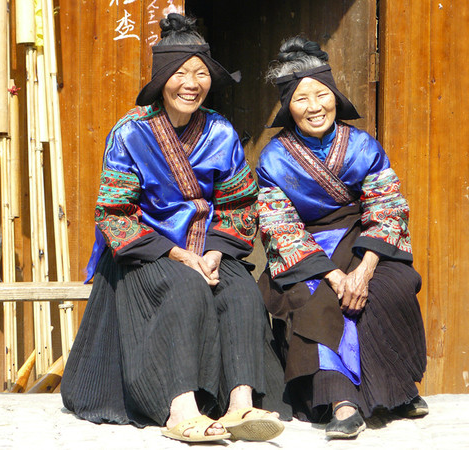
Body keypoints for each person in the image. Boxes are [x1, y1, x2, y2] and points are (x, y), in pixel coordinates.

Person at [60, 14, 289, 443]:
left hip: (209, 248)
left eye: (200, 73)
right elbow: (114, 213)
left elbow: (239, 204)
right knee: (186, 288)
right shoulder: (131, 133)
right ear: (162, 78)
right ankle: (180, 410)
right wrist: (178, 254)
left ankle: (241, 406)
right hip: (148, 251)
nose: (192, 83)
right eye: (180, 73)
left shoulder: (220, 131)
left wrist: (218, 251)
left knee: (239, 290)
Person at [256, 36, 428, 439]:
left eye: (322, 94)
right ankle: (342, 402)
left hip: (361, 239)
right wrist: (335, 276)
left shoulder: (363, 145)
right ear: (287, 108)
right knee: (314, 297)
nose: (314, 106)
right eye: (301, 99)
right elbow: (280, 225)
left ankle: (395, 391)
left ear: (335, 95)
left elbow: (388, 206)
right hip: (307, 251)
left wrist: (365, 269)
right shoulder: (274, 158)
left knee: (392, 285)